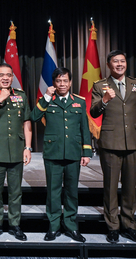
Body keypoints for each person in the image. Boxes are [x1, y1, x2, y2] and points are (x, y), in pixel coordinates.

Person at [90, 50, 136, 244]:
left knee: (130, 188)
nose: (120, 64)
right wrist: (105, 99)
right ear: (109, 65)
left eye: (122, 61)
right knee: (111, 187)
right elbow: (93, 111)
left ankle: (130, 225)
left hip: (132, 141)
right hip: (110, 142)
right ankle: (113, 226)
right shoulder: (100, 85)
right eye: (115, 61)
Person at [31, 67, 92, 243]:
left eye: (65, 80)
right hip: (53, 153)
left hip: (73, 152)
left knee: (72, 192)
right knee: (53, 191)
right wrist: (46, 97)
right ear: (54, 83)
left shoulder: (79, 102)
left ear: (70, 82)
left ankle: (71, 226)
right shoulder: (48, 100)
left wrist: (86, 152)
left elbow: (84, 129)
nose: (62, 84)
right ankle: (54, 226)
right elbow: (34, 116)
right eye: (59, 81)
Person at [0, 63, 32, 241]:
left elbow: (27, 122)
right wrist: (0, 99)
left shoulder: (21, 95)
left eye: (8, 75)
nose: (5, 78)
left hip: (17, 149)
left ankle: (15, 224)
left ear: (12, 77)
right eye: (1, 75)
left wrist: (28, 147)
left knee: (16, 191)